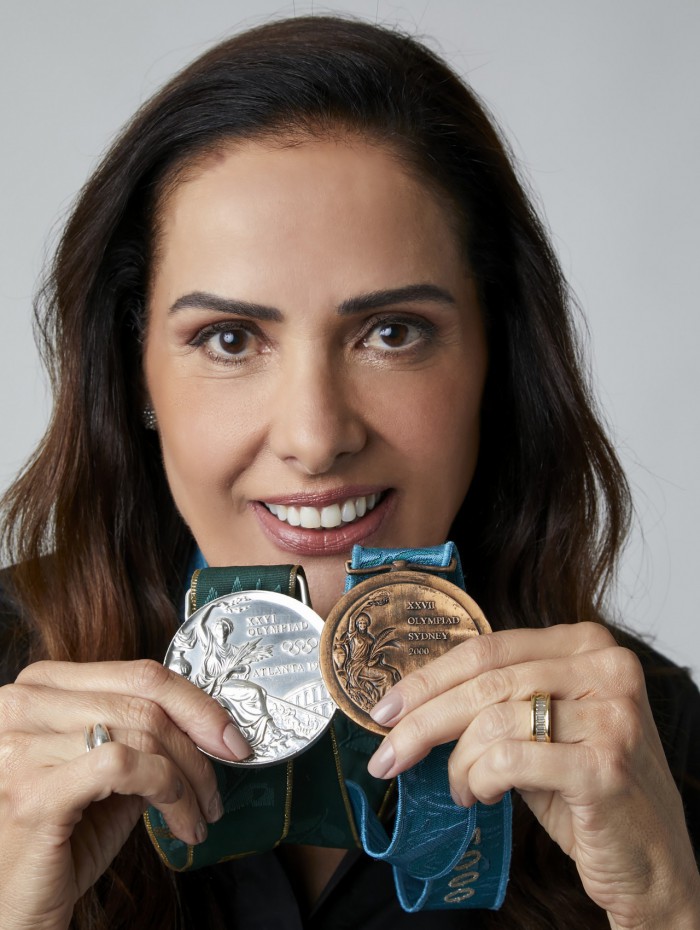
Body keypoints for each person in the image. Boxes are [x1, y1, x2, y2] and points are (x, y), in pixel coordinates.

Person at [0, 14, 697, 930]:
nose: (316, 437)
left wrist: (668, 910)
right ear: (135, 376)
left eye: (392, 333)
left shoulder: (647, 744)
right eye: (230, 338)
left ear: (497, 362)